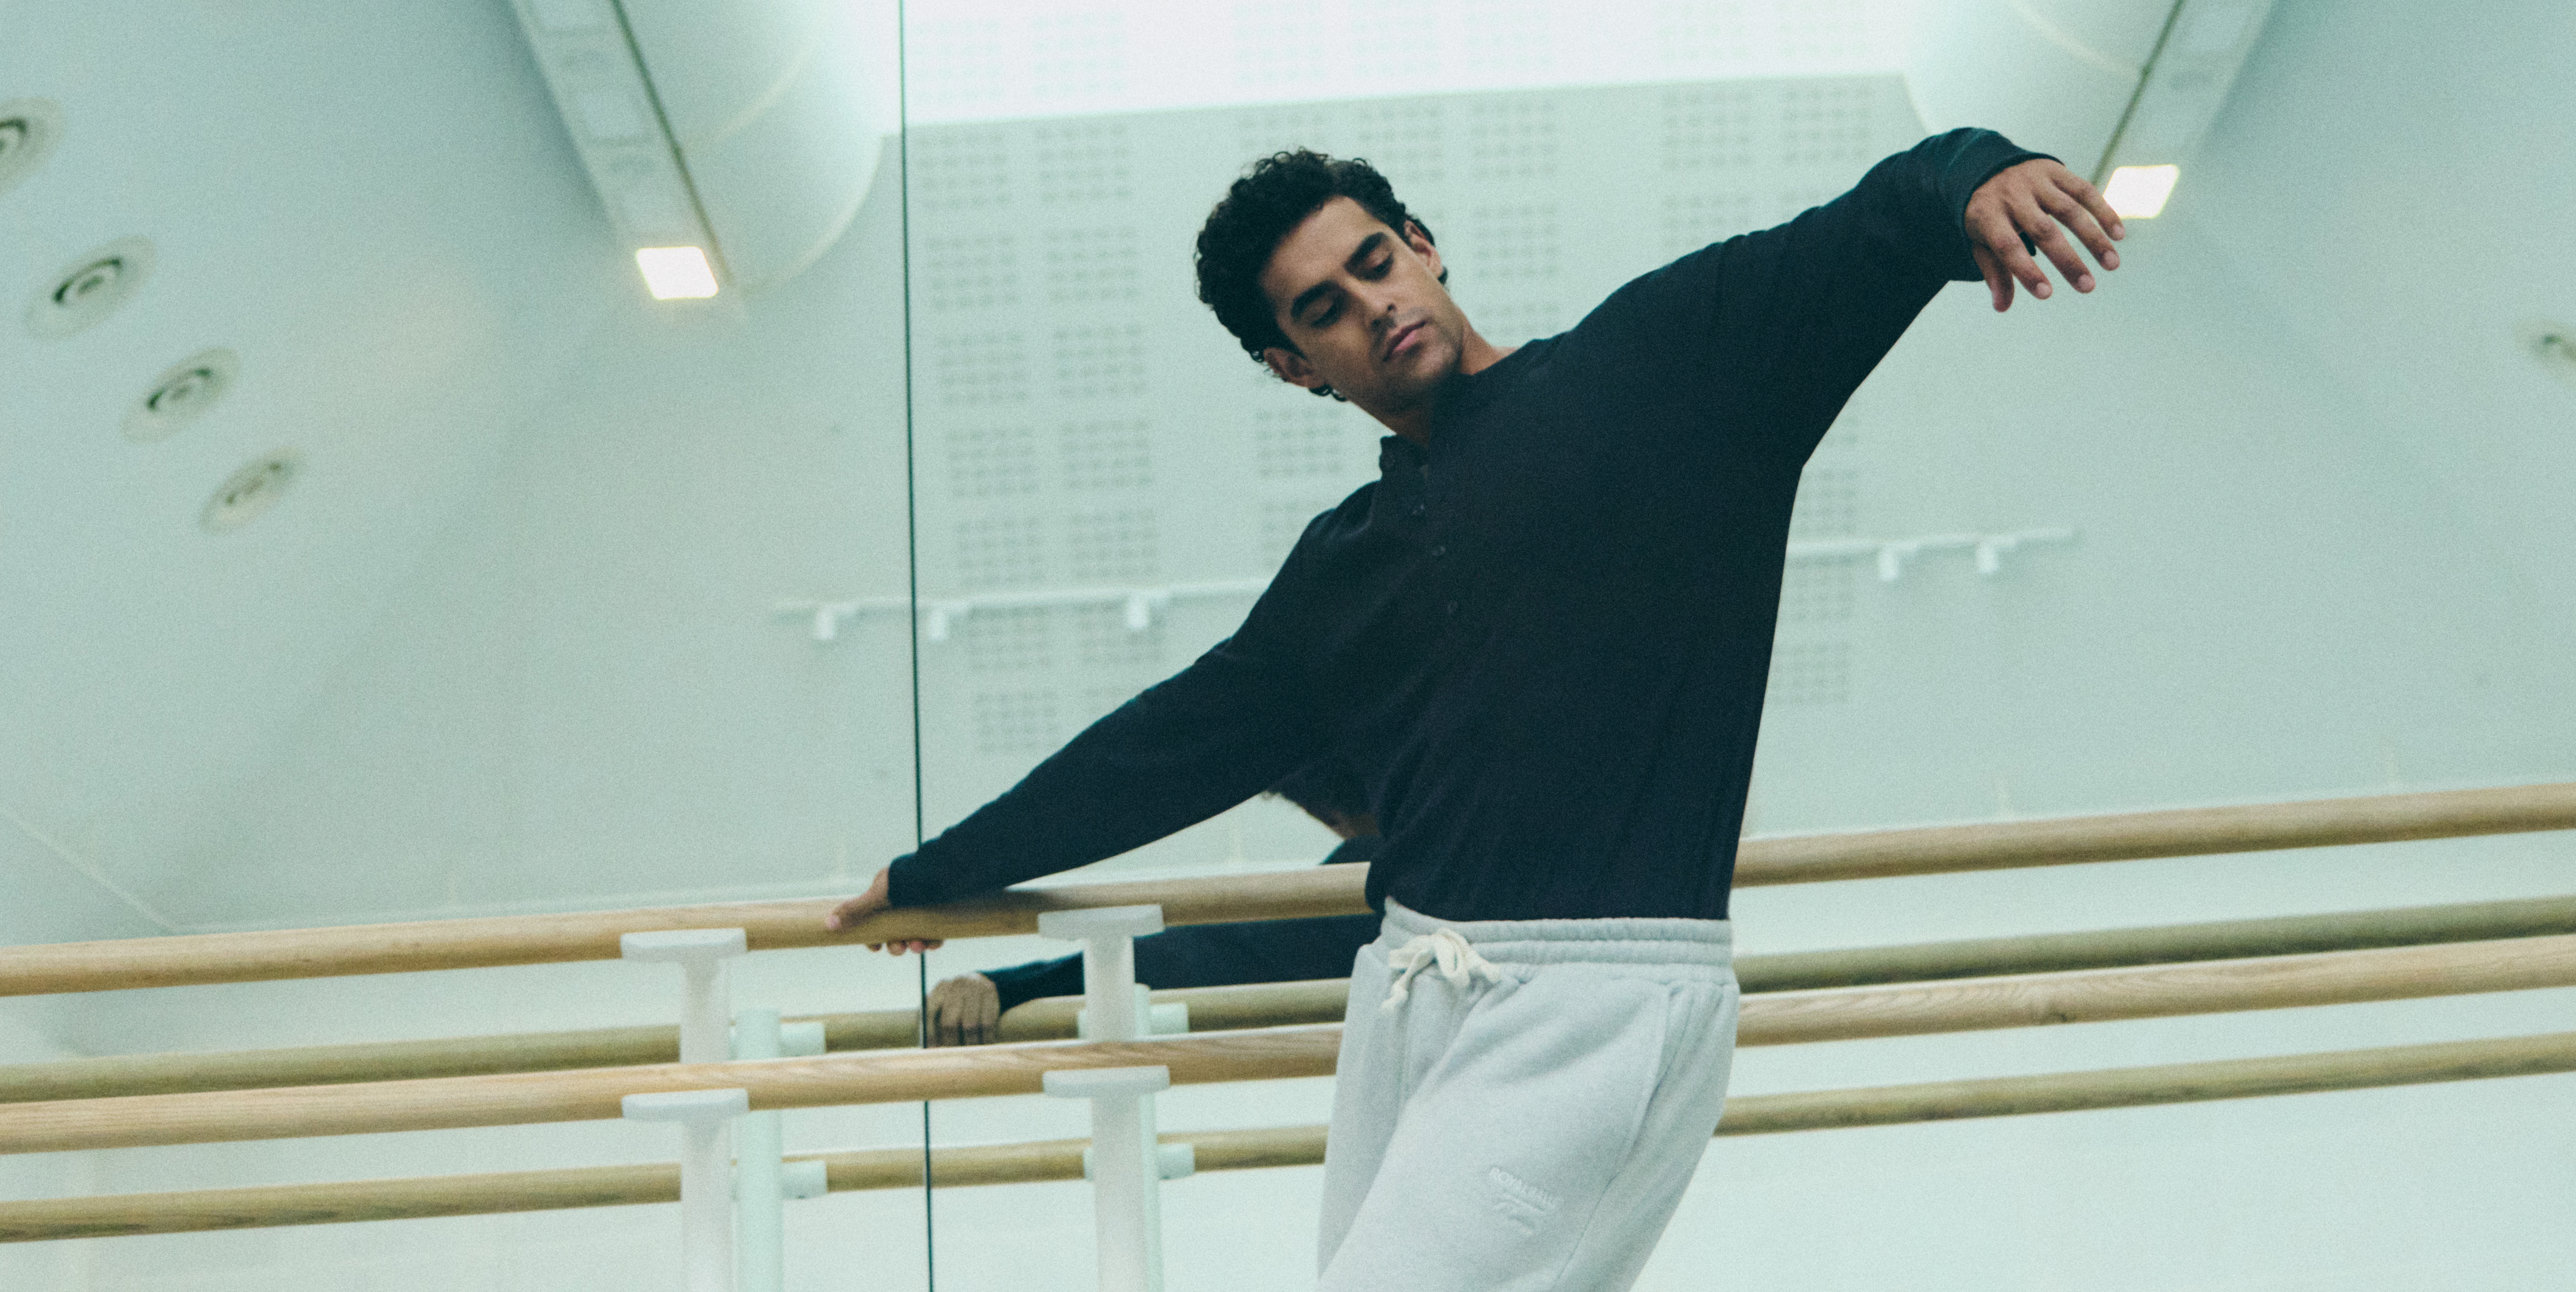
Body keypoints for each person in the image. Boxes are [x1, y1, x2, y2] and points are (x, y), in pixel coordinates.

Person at [831, 129, 2119, 1290]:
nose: (1375, 306)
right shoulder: (1348, 562)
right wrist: (938, 874)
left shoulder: (1661, 370)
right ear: (1297, 368)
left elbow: (1869, 221)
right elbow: (1162, 750)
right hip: (1409, 982)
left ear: (1425, 247)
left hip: (1597, 1000)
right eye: (1325, 311)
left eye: (1378, 260)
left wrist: (1980, 180)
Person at [922, 754, 1385, 1047]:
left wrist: (1009, 988)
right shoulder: (1408, 862)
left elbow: (1205, 959)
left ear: (1323, 812)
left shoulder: (1373, 879)